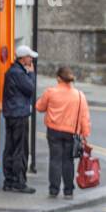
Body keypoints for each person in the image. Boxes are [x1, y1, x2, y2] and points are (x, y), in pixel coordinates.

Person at [35, 65, 92, 199]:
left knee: (55, 160)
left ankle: (54, 190)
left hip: (53, 131)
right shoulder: (79, 95)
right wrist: (85, 134)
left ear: (59, 78)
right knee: (68, 161)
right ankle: (68, 191)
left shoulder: (50, 92)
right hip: (71, 133)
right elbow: (84, 117)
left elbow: (39, 107)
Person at [1, 45, 37, 193]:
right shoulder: (20, 73)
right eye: (29, 57)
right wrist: (31, 74)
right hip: (19, 114)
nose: (31, 59)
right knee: (20, 149)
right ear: (22, 59)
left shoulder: (12, 71)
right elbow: (30, 89)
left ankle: (9, 180)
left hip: (11, 113)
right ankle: (19, 181)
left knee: (10, 147)